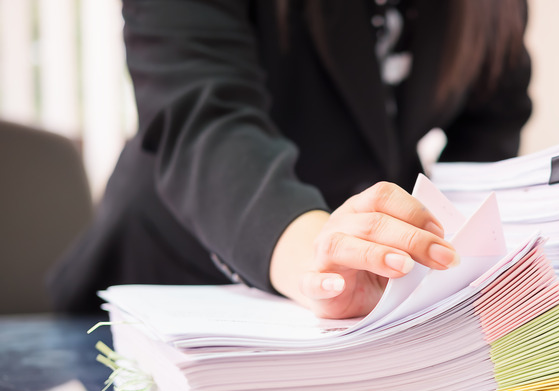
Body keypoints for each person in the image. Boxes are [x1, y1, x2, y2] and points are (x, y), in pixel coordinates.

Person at [49, 0, 532, 319]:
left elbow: (491, 122)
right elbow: (204, 116)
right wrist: (319, 263)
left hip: (367, 315)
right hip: (171, 280)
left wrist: (444, 253)